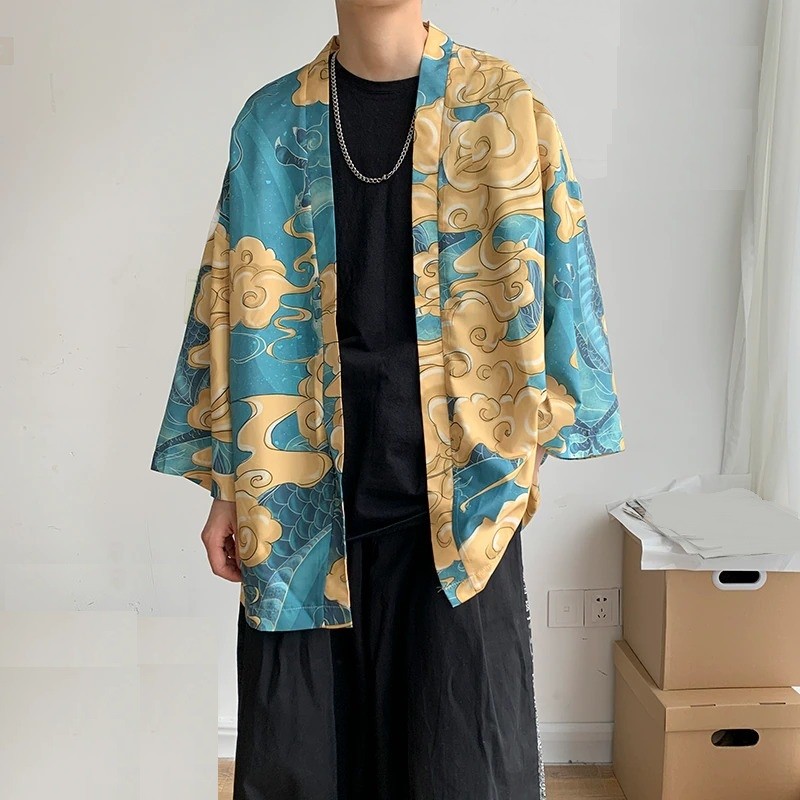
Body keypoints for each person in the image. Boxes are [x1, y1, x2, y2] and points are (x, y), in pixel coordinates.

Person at [150, 2, 625, 798]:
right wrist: (227, 489)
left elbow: (565, 287)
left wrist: (523, 459)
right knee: (307, 763)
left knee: (457, 763)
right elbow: (226, 306)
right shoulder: (271, 122)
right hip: (300, 498)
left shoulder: (503, 107)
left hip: (460, 503)